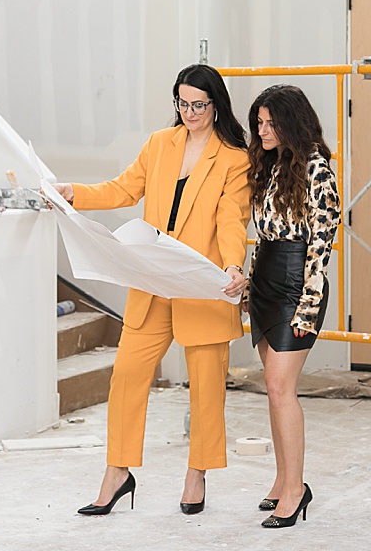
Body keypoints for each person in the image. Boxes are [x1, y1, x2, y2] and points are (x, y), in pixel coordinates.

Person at [52, 64, 251, 517]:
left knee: (205, 388)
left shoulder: (235, 158)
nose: (188, 112)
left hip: (201, 284)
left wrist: (235, 264)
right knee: (127, 377)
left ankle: (197, 473)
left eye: (198, 105)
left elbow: (231, 218)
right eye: (181, 103)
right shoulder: (161, 145)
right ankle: (117, 472)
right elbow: (123, 189)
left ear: (215, 105)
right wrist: (73, 194)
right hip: (152, 280)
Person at [244, 84, 341, 529]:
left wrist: (308, 306)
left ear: (290, 123)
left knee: (282, 386)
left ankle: (297, 489)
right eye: (259, 123)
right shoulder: (267, 167)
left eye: (269, 123)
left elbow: (321, 246)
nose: (262, 131)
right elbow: (260, 236)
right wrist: (248, 286)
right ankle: (283, 479)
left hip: (297, 285)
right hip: (264, 282)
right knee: (273, 386)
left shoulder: (319, 170)